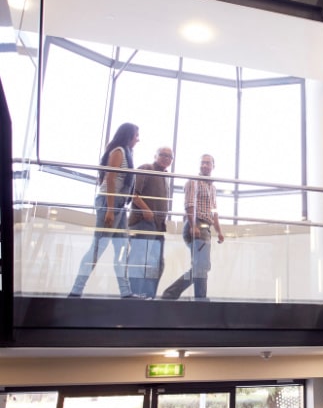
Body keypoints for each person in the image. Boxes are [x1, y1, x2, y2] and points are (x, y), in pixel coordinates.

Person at [69, 122, 140, 298]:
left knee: (122, 248)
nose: (138, 139)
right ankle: (76, 291)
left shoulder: (127, 153)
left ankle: (126, 292)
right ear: (128, 136)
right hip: (110, 203)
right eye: (136, 136)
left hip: (120, 206)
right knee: (98, 247)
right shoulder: (118, 152)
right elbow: (110, 178)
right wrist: (109, 208)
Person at [162, 154, 224, 300]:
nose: (204, 165)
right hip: (196, 225)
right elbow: (189, 204)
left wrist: (219, 231)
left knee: (201, 267)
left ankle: (198, 298)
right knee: (201, 266)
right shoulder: (193, 182)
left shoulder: (212, 188)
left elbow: (214, 210)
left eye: (208, 163)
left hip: (206, 227)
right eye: (202, 163)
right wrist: (193, 225)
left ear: (213, 166)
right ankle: (174, 294)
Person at [125, 147, 174, 298]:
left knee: (157, 263)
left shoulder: (165, 177)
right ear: (155, 155)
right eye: (163, 155)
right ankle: (137, 293)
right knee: (139, 259)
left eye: (169, 156)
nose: (166, 158)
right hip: (143, 222)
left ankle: (149, 294)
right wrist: (147, 210)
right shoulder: (147, 168)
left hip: (159, 227)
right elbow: (134, 194)